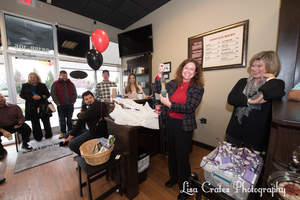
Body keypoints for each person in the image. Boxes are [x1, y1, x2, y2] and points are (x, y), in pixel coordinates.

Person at [155, 58, 204, 200]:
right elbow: (159, 88)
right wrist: (159, 74)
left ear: (195, 73)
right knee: (171, 153)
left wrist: (170, 104)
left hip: (184, 126)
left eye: (191, 69)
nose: (188, 71)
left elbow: (189, 108)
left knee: (182, 157)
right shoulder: (174, 83)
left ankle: (185, 187)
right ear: (181, 69)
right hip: (170, 123)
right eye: (186, 68)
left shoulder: (198, 88)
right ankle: (174, 178)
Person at [226, 51, 285, 152]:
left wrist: (270, 79)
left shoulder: (276, 84)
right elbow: (231, 99)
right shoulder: (243, 82)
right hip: (234, 133)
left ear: (270, 66)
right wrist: (250, 101)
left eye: (259, 66)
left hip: (255, 139)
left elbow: (272, 92)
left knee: (248, 167)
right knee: (227, 165)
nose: (254, 69)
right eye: (253, 65)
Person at [20, 72, 53, 141]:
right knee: (35, 123)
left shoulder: (42, 85)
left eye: (34, 77)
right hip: (31, 107)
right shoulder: (25, 86)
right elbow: (22, 95)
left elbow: (47, 94)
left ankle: (49, 135)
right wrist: (32, 97)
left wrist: (40, 97)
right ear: (28, 78)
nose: (32, 79)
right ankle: (38, 137)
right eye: (31, 77)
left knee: (46, 122)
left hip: (43, 106)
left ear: (37, 78)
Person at [0, 93, 32, 158]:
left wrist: (19, 123)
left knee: (26, 128)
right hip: (1, 128)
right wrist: (3, 131)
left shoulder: (14, 107)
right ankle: (1, 151)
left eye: (2, 97)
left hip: (15, 125)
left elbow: (22, 118)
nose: (1, 99)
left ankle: (25, 143)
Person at [51, 70, 77, 139]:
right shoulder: (55, 83)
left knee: (69, 119)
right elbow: (53, 94)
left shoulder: (71, 84)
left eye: (65, 75)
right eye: (62, 75)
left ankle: (70, 132)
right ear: (60, 76)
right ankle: (63, 132)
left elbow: (75, 93)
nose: (64, 76)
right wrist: (57, 103)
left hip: (70, 105)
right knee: (62, 119)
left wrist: (73, 101)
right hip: (61, 105)